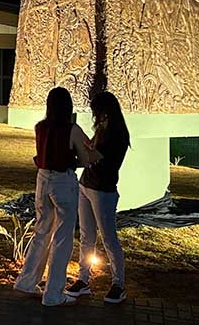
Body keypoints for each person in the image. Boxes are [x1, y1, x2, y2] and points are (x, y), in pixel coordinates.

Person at [14, 87, 101, 307]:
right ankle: (53, 293)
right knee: (62, 238)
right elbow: (86, 158)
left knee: (42, 232)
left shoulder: (40, 127)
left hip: (42, 179)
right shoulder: (72, 129)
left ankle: (27, 281)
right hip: (63, 182)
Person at [66, 91, 130, 304]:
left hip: (103, 190)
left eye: (96, 112)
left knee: (109, 237)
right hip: (86, 185)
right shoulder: (103, 129)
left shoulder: (117, 134)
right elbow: (91, 153)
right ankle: (83, 280)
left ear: (105, 111)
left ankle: (118, 284)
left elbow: (95, 156)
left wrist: (77, 140)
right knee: (86, 236)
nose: (95, 116)